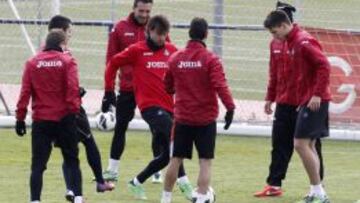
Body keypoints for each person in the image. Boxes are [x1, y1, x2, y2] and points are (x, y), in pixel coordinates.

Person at [104, 15, 192, 200]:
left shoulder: (171, 50)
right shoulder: (136, 50)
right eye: (159, 34)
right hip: (150, 107)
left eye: (165, 34)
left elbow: (183, 71)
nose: (162, 38)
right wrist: (109, 90)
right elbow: (112, 63)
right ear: (149, 31)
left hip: (169, 107)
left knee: (166, 156)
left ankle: (136, 182)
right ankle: (186, 185)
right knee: (175, 142)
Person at [161, 17, 235, 203]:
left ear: (189, 33)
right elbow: (220, 85)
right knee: (205, 162)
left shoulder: (176, 58)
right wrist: (230, 107)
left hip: (183, 118)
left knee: (175, 159)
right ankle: (202, 198)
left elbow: (167, 85)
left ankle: (166, 198)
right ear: (206, 34)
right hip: (205, 119)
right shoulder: (211, 59)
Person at [254, 1, 325, 198]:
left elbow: (322, 67)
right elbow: (274, 72)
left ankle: (319, 186)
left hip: (304, 103)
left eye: (275, 29)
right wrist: (270, 97)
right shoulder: (275, 44)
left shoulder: (302, 42)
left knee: (312, 145)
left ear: (286, 23)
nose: (274, 34)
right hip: (284, 102)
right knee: (279, 144)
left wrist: (316, 94)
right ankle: (274, 184)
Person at [47, 15, 114, 202]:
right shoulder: (65, 56)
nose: (71, 36)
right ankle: (99, 183)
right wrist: (78, 92)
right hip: (72, 110)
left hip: (52, 112)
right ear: (60, 33)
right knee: (89, 142)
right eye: (69, 32)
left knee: (68, 150)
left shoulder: (41, 55)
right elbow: (67, 85)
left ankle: (71, 190)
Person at [15, 30, 84, 203]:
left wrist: (20, 118)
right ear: (62, 44)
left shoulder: (32, 63)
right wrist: (74, 112)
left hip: (41, 120)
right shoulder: (68, 61)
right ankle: (77, 198)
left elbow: (25, 92)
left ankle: (35, 200)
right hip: (64, 118)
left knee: (37, 165)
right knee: (72, 160)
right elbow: (72, 89)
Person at [101, 0, 162, 183]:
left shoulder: (157, 27)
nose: (144, 15)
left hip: (150, 89)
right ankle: (112, 171)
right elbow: (110, 60)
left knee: (157, 129)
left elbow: (167, 53)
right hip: (127, 88)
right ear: (134, 8)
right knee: (120, 127)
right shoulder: (119, 28)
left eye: (147, 11)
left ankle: (156, 170)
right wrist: (108, 90)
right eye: (141, 11)